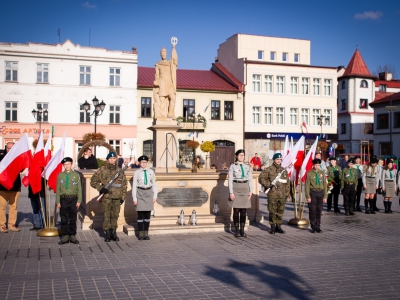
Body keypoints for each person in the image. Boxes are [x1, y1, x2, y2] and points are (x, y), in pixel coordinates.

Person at [90, 152, 128, 242]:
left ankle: (114, 233)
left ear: (116, 160)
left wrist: (123, 197)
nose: (112, 160)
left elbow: (124, 185)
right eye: (110, 158)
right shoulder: (102, 170)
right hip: (106, 197)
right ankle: (107, 234)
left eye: (114, 158)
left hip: (117, 197)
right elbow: (93, 181)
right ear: (107, 159)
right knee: (106, 216)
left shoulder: (120, 171)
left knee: (115, 216)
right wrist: (101, 188)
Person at [258, 153, 290, 234]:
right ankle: (272, 226)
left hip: (282, 195)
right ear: (274, 160)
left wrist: (286, 194)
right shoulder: (269, 169)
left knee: (280, 211)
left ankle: (278, 226)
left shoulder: (284, 170)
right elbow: (261, 179)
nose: (279, 161)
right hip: (273, 194)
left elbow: (287, 183)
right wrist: (269, 185)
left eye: (280, 159)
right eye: (277, 159)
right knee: (272, 211)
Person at [56, 157, 82, 245]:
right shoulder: (60, 175)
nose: (67, 166)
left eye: (68, 164)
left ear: (71, 164)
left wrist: (79, 200)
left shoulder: (76, 175)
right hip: (64, 199)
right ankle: (65, 235)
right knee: (64, 218)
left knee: (73, 218)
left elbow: (79, 189)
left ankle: (72, 235)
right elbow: (58, 189)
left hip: (73, 199)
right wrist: (58, 201)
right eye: (65, 164)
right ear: (63, 165)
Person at [132, 155, 158, 240]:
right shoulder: (137, 173)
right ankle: (140, 233)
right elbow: (134, 186)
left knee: (147, 214)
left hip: (149, 193)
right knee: (140, 214)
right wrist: (134, 198)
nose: (144, 164)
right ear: (139, 163)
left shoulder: (151, 172)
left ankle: (146, 233)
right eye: (142, 162)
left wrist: (155, 196)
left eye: (145, 162)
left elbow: (154, 184)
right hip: (140, 192)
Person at [228, 149, 253, 237]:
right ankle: (237, 230)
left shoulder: (247, 166)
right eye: (240, 155)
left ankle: (242, 230)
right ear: (236, 156)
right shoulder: (232, 166)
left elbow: (250, 179)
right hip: (236, 187)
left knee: (243, 210)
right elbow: (230, 180)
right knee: (236, 210)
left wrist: (251, 191)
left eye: (243, 155)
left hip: (245, 188)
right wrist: (231, 192)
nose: (241, 157)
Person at [0, 142, 22, 233]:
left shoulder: (18, 158)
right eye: (8, 148)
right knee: (1, 207)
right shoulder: (1, 157)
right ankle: (2, 225)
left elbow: (21, 168)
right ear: (6, 148)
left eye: (11, 148)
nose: (10, 150)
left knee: (13, 207)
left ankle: (11, 224)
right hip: (2, 187)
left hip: (15, 187)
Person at [153, 45, 178, 119]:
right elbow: (157, 76)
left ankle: (170, 113)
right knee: (162, 101)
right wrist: (156, 82)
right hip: (162, 84)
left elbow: (175, 60)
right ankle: (161, 115)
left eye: (165, 53)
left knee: (173, 98)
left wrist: (173, 48)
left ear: (166, 54)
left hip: (169, 84)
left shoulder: (170, 64)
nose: (163, 54)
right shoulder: (158, 64)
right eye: (162, 53)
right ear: (160, 54)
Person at [305, 158, 327, 233]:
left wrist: (325, 196)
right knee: (312, 210)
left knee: (319, 210)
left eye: (318, 165)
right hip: (313, 192)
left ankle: (318, 226)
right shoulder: (309, 173)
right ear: (313, 165)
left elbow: (325, 185)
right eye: (316, 165)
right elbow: (307, 186)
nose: (317, 166)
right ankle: (313, 226)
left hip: (320, 192)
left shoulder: (322, 173)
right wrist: (308, 196)